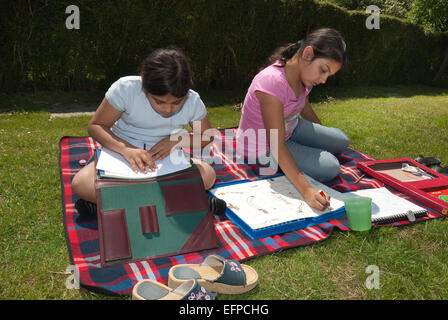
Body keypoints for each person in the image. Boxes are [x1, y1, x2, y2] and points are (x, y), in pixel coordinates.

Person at [72, 48, 226, 216]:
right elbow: (96, 126)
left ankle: (108, 206)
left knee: (208, 176)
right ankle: (190, 203)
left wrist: (178, 140)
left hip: (166, 160)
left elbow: (207, 136)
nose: (168, 109)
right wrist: (126, 149)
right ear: (145, 87)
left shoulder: (192, 100)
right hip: (120, 153)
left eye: (177, 102)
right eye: (159, 102)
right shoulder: (126, 89)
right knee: (81, 184)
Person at [236, 28, 350, 211]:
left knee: (342, 141)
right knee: (330, 167)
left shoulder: (304, 77)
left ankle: (309, 153)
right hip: (263, 147)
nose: (323, 80)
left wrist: (320, 137)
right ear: (307, 54)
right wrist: (307, 190)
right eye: (323, 71)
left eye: (328, 75)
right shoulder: (271, 83)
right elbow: (276, 145)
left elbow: (303, 105)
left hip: (290, 128)